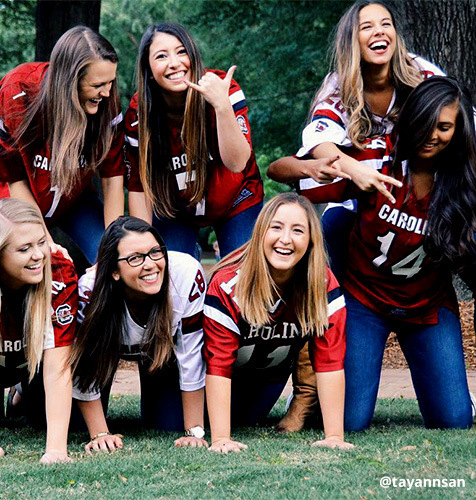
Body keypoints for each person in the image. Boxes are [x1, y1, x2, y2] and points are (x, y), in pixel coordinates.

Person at [267, 0, 444, 433]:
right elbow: (315, 150)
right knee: (325, 234)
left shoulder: (423, 75)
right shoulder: (337, 86)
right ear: (353, 39)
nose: (379, 31)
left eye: (386, 23)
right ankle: (311, 380)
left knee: (453, 418)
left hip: (419, 199)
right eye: (367, 26)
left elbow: (459, 123)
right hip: (357, 201)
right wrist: (354, 168)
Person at [301, 76, 476, 431]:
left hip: (427, 305)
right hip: (366, 299)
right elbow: (297, 178)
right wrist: (336, 168)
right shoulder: (377, 157)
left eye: (444, 127)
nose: (432, 135)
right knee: (348, 420)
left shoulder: (464, 181)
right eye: (426, 123)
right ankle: (311, 390)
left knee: (454, 419)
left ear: (458, 131)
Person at [203, 193, 353, 453]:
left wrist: (334, 436)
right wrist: (220, 439)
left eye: (298, 230)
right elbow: (217, 363)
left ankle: (302, 399)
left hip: (266, 376)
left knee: (247, 419)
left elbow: (330, 361)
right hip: (209, 376)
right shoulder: (228, 284)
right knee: (169, 422)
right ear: (261, 231)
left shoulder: (322, 284)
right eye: (276, 227)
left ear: (311, 240)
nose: (285, 239)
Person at [0, 26, 126, 264]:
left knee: (117, 257)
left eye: (111, 82)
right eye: (98, 85)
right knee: (35, 264)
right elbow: (15, 181)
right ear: (69, 80)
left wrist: (114, 246)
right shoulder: (18, 92)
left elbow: (112, 178)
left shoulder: (107, 103)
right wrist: (44, 242)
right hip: (6, 197)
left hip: (71, 196)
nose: (107, 93)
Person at [124, 22, 263, 259]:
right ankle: (187, 253)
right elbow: (139, 186)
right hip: (175, 208)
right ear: (148, 67)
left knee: (240, 278)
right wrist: (143, 245)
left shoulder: (222, 87)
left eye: (181, 51)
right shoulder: (139, 113)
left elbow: (238, 162)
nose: (174, 63)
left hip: (237, 197)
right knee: (174, 274)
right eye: (161, 56)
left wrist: (221, 105)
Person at [69, 216, 207, 452]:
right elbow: (84, 363)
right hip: (102, 360)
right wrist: (100, 433)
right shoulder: (89, 290)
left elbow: (192, 355)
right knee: (72, 425)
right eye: (135, 258)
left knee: (168, 424)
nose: (151, 264)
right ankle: (21, 393)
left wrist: (193, 430)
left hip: (160, 357)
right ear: (113, 270)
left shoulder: (185, 274)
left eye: (156, 252)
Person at [0, 199, 78, 463]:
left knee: (55, 421)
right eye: (24, 249)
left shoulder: (58, 269)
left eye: (41, 242)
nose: (39, 255)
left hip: (32, 360)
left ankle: (20, 393)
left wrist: (56, 450)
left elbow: (58, 368)